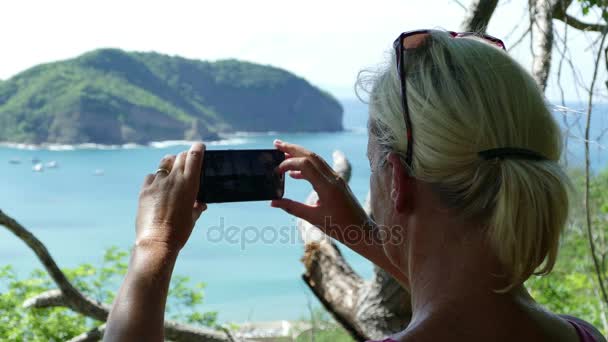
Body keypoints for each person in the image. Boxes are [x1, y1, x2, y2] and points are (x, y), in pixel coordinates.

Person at [103, 30, 607, 342]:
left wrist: (153, 249)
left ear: (396, 181)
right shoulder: (584, 335)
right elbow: (473, 303)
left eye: (372, 167)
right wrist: (366, 238)